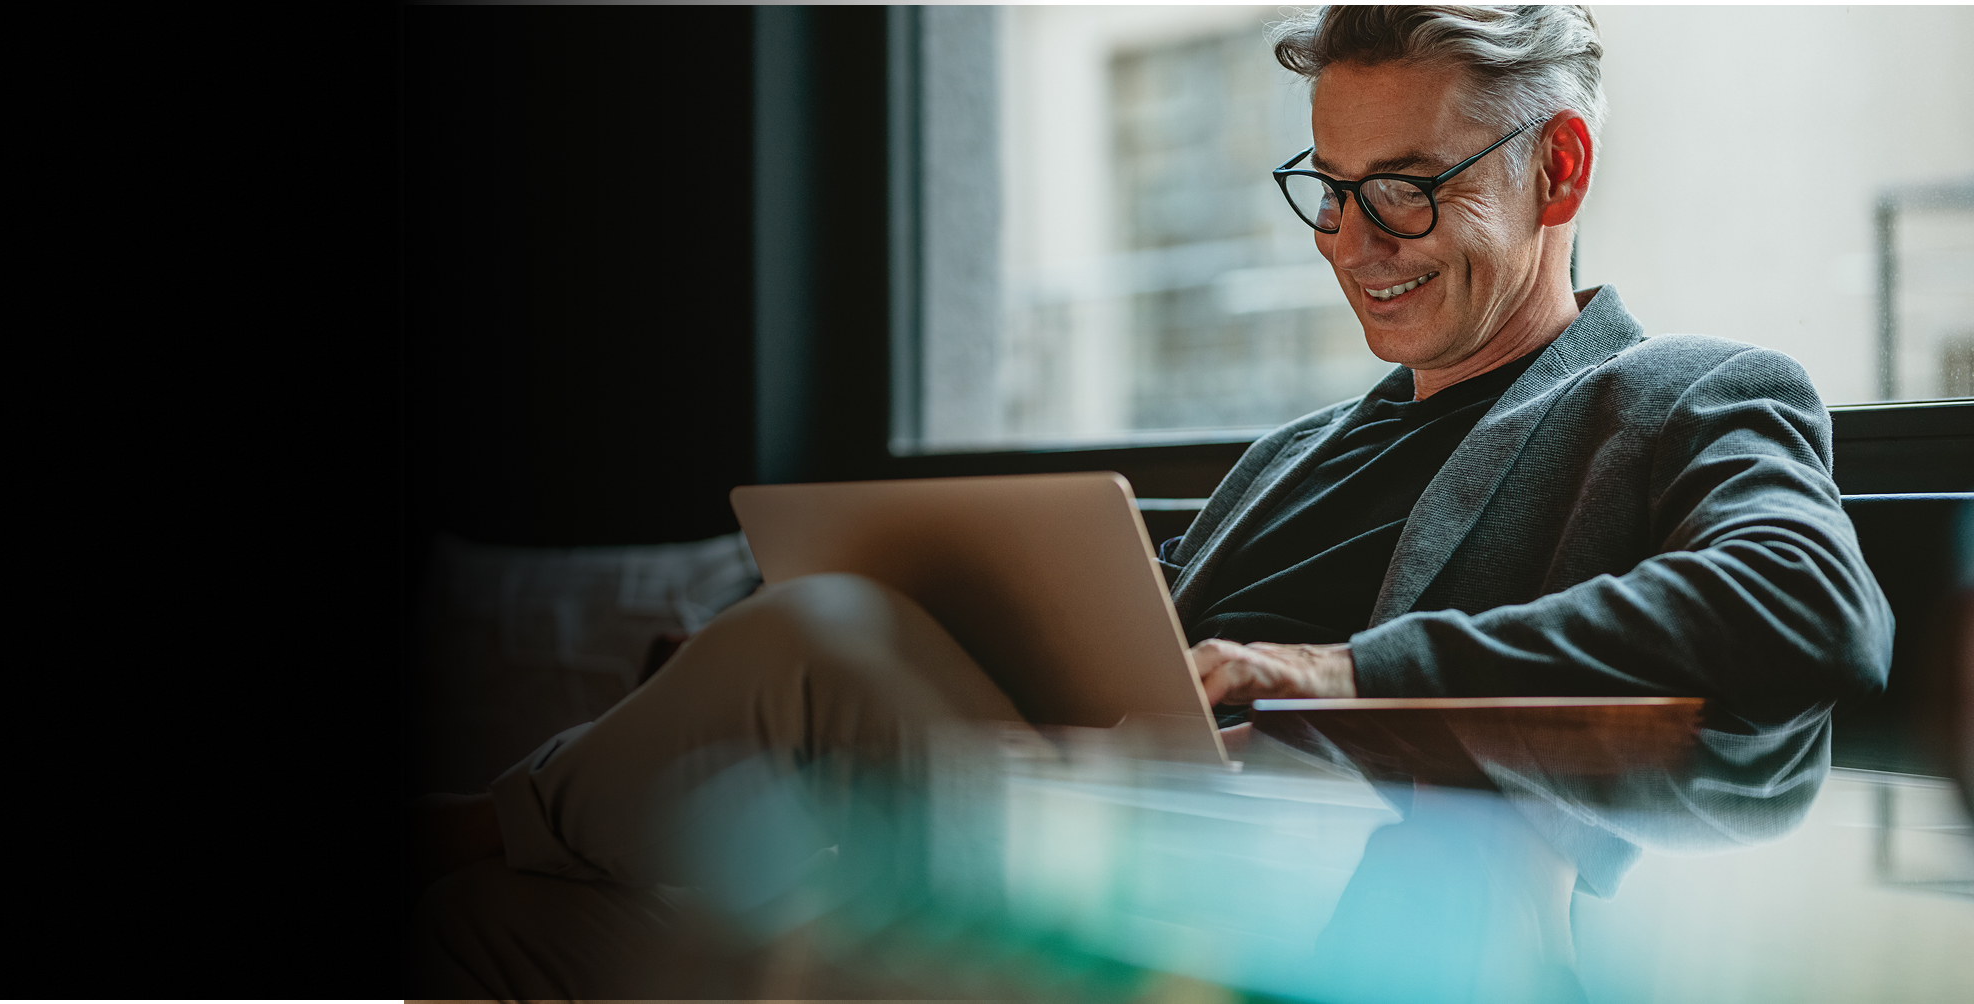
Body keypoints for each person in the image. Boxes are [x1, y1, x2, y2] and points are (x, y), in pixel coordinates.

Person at [408, 7, 1893, 998]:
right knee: (498, 934)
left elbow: (1808, 605)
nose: (1349, 240)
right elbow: (1124, 652)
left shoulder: (1685, 393)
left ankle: (481, 816)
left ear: (1558, 167)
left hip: (1319, 900)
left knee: (824, 640)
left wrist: (1341, 673)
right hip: (1074, 837)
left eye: (1405, 187)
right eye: (1328, 185)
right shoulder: (1293, 454)